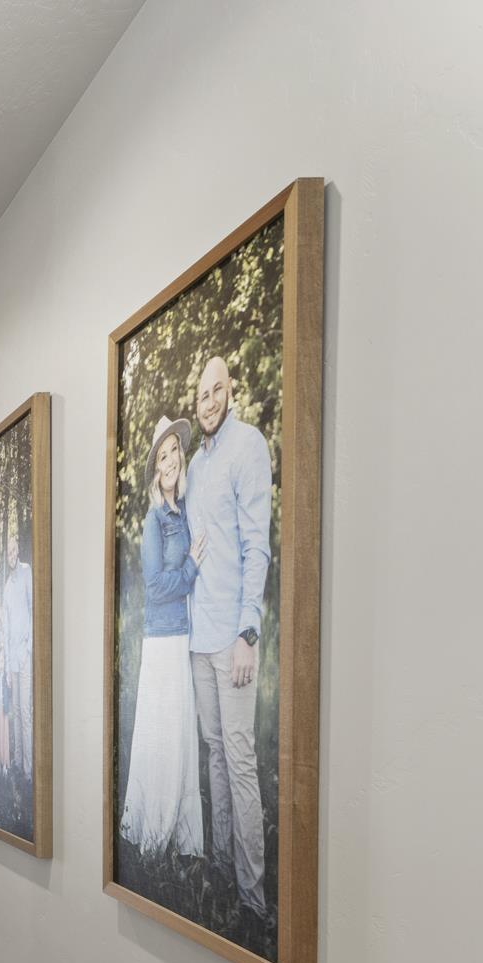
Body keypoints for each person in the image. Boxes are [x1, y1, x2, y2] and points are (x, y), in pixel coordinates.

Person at [186, 356, 272, 920]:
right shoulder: (193, 463)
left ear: (231, 390)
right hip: (198, 636)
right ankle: (220, 870)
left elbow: (256, 545)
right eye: (201, 394)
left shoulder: (249, 446)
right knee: (214, 753)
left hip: (233, 637)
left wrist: (248, 632)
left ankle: (253, 897)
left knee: (239, 760)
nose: (209, 401)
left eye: (218, 390)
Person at [120, 417, 206, 857]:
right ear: (155, 468)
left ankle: (182, 838)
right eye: (162, 454)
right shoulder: (154, 521)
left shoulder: (187, 511)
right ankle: (155, 830)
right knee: (161, 733)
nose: (169, 459)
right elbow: (154, 588)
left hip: (184, 637)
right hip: (161, 640)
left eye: (174, 450)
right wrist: (190, 566)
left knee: (180, 734)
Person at [0, 520, 34, 779]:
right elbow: (6, 629)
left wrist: (29, 648)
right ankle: (19, 764)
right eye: (7, 553)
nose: (11, 556)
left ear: (17, 551)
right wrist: (8, 665)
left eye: (13, 551)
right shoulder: (7, 587)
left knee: (26, 712)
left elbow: (34, 610)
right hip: (13, 660)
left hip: (26, 654)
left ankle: (30, 768)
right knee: (17, 712)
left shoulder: (27, 572)